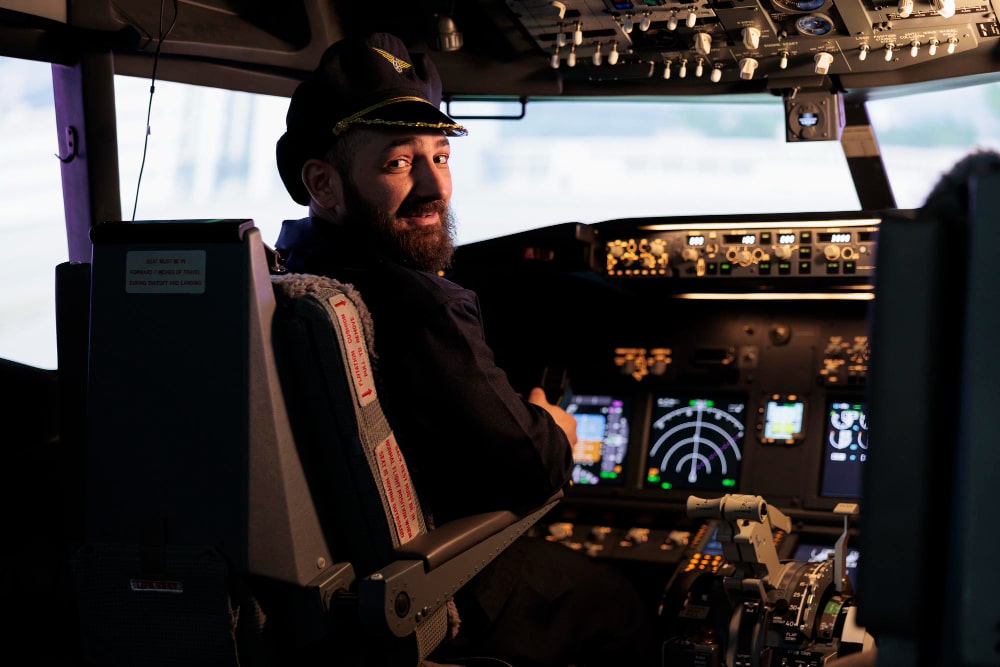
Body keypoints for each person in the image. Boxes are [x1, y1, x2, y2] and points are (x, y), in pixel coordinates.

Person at [274, 33, 656, 667]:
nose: (434, 186)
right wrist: (555, 429)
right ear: (325, 183)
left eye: (441, 156)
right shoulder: (421, 305)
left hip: (337, 591)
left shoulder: (289, 273)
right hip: (440, 583)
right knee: (620, 604)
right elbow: (529, 468)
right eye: (398, 162)